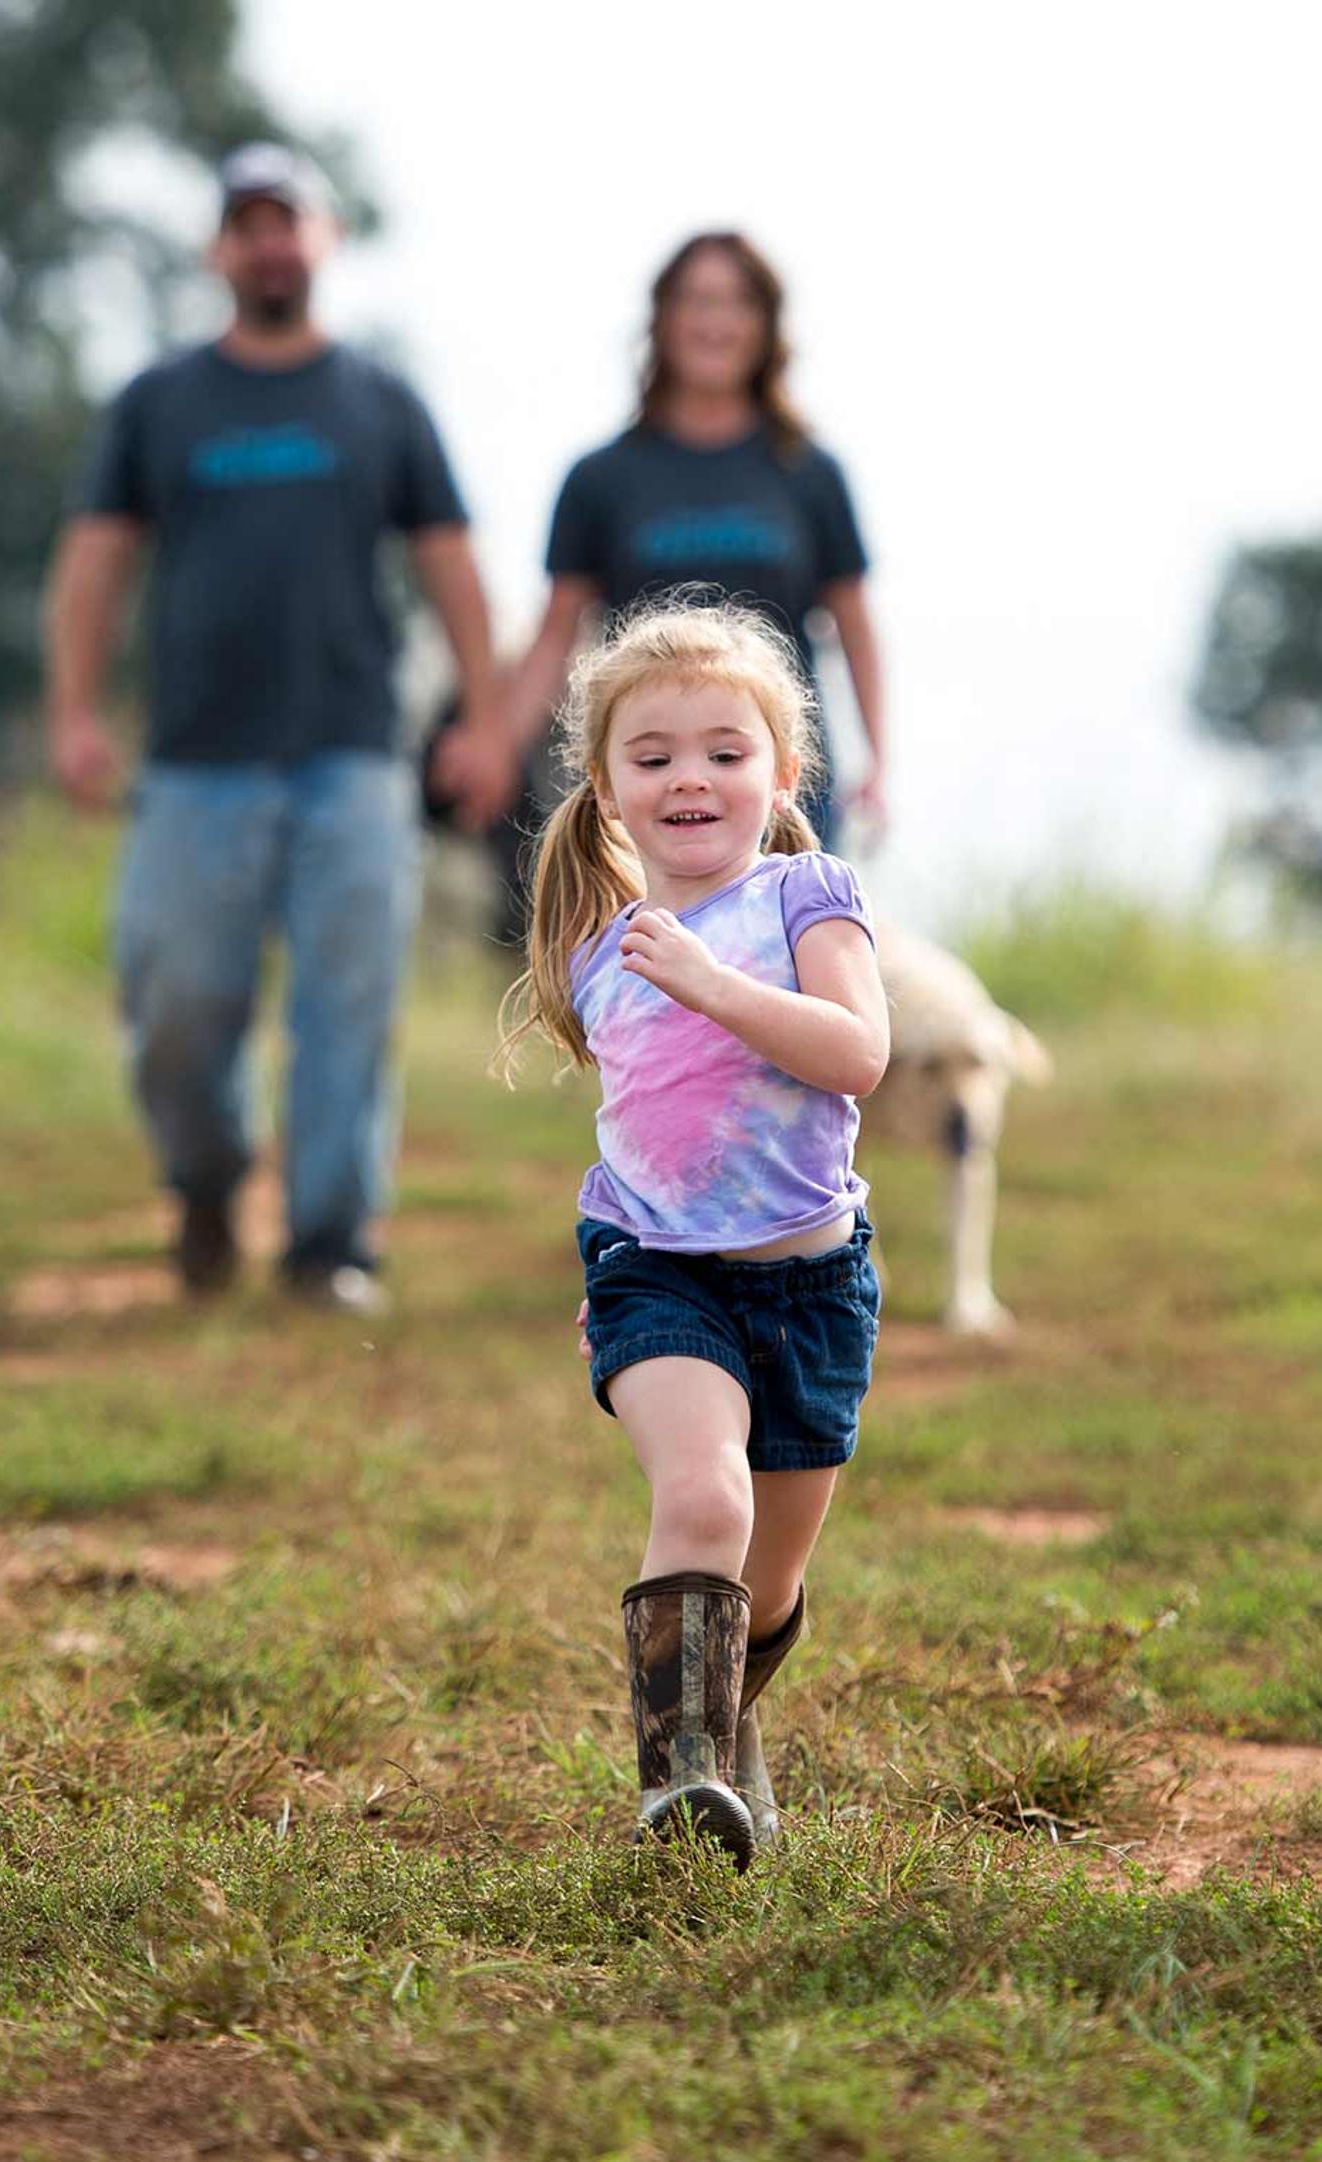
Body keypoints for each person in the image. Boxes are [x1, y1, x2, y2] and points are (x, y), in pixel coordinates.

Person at [44, 144, 501, 1314]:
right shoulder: (162, 403)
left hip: (353, 759)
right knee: (177, 1003)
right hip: (195, 765)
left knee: (347, 1006)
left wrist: (487, 716)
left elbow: (452, 570)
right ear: (219, 252)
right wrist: (75, 711)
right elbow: (95, 565)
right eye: (247, 225)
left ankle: (329, 1247)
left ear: (325, 241)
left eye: (288, 222)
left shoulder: (380, 403)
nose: (270, 244)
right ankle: (205, 1179)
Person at [499, 602, 888, 1865]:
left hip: (813, 1286)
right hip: (659, 1277)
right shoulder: (600, 950)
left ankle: (724, 1737)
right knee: (703, 1495)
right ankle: (675, 1798)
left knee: (767, 1586)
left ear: (782, 773)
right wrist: (614, 1287)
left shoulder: (808, 897)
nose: (690, 777)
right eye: (653, 754)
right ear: (607, 788)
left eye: (725, 749)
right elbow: (639, 1123)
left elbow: (858, 1054)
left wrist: (716, 983)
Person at [431, 233, 887, 944]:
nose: (716, 322)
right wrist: (494, 740)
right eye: (697, 301)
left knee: (794, 976)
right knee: (662, 980)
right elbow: (557, 636)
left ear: (766, 326)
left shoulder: (808, 473)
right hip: (656, 776)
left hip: (773, 773)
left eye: (738, 303)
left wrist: (879, 760)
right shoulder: (602, 478)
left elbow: (855, 626)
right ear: (662, 322)